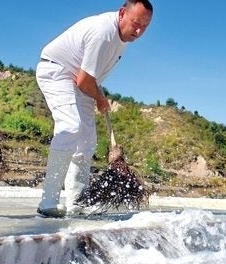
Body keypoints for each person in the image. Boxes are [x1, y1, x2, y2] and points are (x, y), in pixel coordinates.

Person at [35, 0, 153, 217]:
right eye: (135, 23)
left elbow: (87, 78)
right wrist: (100, 98)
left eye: (144, 27)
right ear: (122, 13)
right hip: (58, 71)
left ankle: (77, 202)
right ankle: (48, 203)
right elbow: (84, 80)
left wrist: (96, 93)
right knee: (70, 126)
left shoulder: (123, 39)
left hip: (82, 82)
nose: (138, 31)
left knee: (87, 142)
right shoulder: (104, 32)